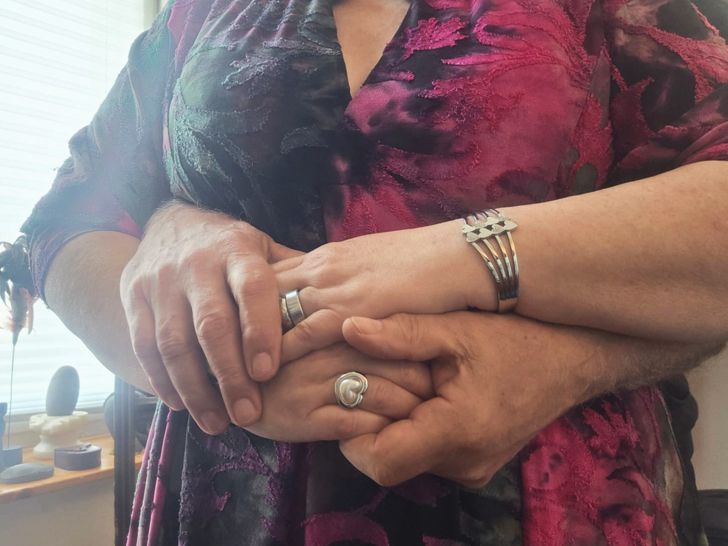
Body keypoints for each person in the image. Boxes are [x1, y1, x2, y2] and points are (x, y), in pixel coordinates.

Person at [12, 0, 728, 543]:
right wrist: (182, 271)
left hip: (553, 501)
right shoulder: (203, 13)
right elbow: (63, 227)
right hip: (224, 505)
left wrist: (474, 266)